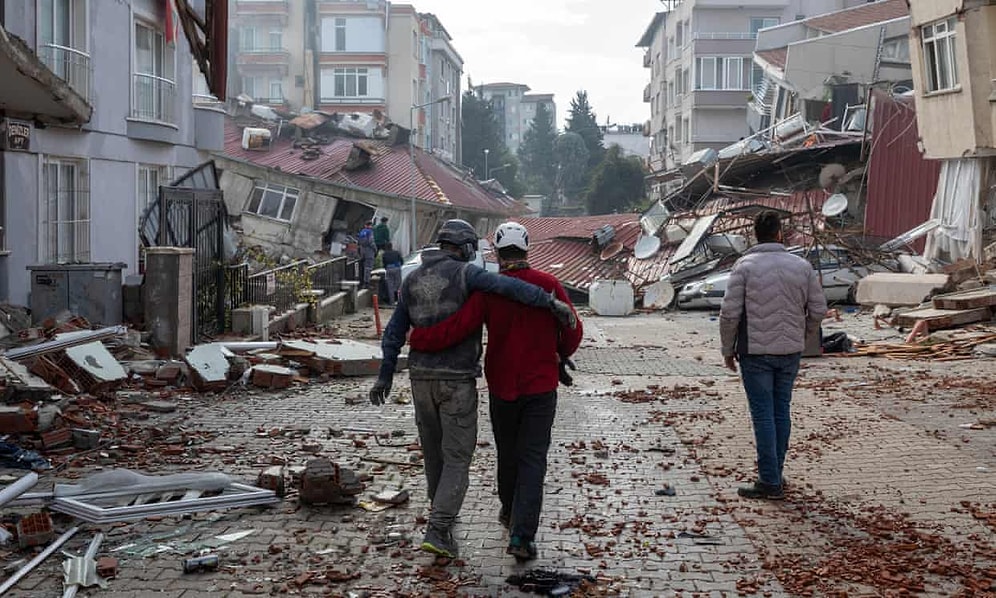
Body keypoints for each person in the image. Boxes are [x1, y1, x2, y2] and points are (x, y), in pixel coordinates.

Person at [368, 219, 577, 560]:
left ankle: (450, 517)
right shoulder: (474, 276)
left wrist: (386, 373)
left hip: (435, 381)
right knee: (477, 458)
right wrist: (550, 307)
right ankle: (458, 529)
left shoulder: (414, 280)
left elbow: (401, 331)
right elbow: (520, 294)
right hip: (478, 382)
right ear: (466, 248)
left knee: (443, 454)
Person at [719, 211, 827, 500]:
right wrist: (803, 335)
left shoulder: (744, 267)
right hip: (790, 352)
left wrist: (727, 349)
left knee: (763, 415)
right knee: (781, 411)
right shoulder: (802, 266)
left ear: (755, 235)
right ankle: (775, 475)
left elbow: (729, 314)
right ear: (780, 233)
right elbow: (818, 309)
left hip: (755, 353)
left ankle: (770, 481)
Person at [357, 221, 376, 287]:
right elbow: (371, 242)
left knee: (363, 267)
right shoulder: (370, 232)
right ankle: (367, 283)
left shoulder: (362, 232)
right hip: (369, 252)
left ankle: (362, 282)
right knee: (368, 267)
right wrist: (375, 249)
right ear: (370, 225)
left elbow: (359, 242)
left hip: (362, 251)